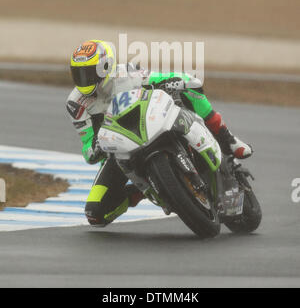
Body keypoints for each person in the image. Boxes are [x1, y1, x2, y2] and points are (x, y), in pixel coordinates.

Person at [66, 39, 253, 226]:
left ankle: (227, 138)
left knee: (190, 87)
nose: (83, 79)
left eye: (88, 73)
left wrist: (174, 80)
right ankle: (143, 192)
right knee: (95, 214)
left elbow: (159, 78)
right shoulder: (76, 104)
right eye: (78, 74)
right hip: (119, 150)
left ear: (105, 67)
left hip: (151, 123)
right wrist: (95, 148)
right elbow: (88, 150)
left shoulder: (127, 73)